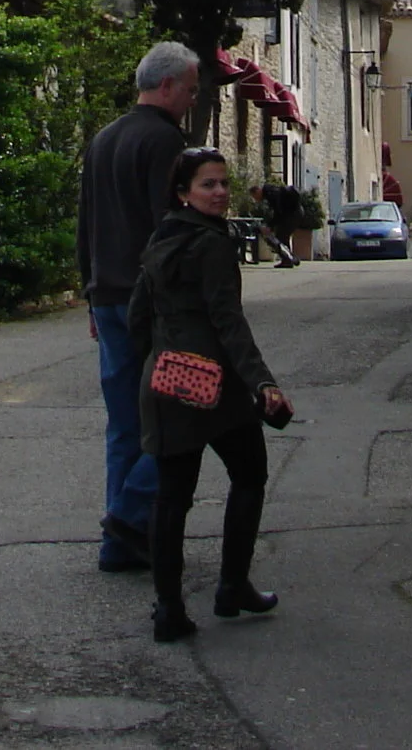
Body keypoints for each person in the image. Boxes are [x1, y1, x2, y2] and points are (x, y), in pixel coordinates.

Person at [129, 145, 294, 642]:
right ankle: (231, 585)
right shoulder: (213, 245)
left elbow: (140, 312)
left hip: (166, 379)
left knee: (172, 497)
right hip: (212, 384)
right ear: (184, 191)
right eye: (208, 184)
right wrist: (262, 382)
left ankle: (169, 609)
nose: (220, 192)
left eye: (223, 183)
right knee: (249, 473)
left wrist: (155, 360)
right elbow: (228, 322)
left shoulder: (163, 236)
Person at [76, 41, 201, 572]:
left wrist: (89, 291)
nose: (193, 100)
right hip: (150, 304)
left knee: (125, 423)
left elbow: (87, 226)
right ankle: (128, 518)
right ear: (168, 86)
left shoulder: (103, 140)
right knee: (182, 419)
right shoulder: (166, 143)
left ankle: (120, 545)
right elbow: (167, 233)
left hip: (107, 296)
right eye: (191, 90)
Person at [253, 181, 302, 268]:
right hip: (295, 212)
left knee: (281, 237)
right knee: (283, 237)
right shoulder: (271, 191)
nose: (256, 199)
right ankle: (289, 259)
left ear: (258, 191)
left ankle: (289, 259)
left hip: (292, 214)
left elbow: (278, 211)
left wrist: (270, 226)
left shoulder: (271, 194)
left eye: (255, 196)